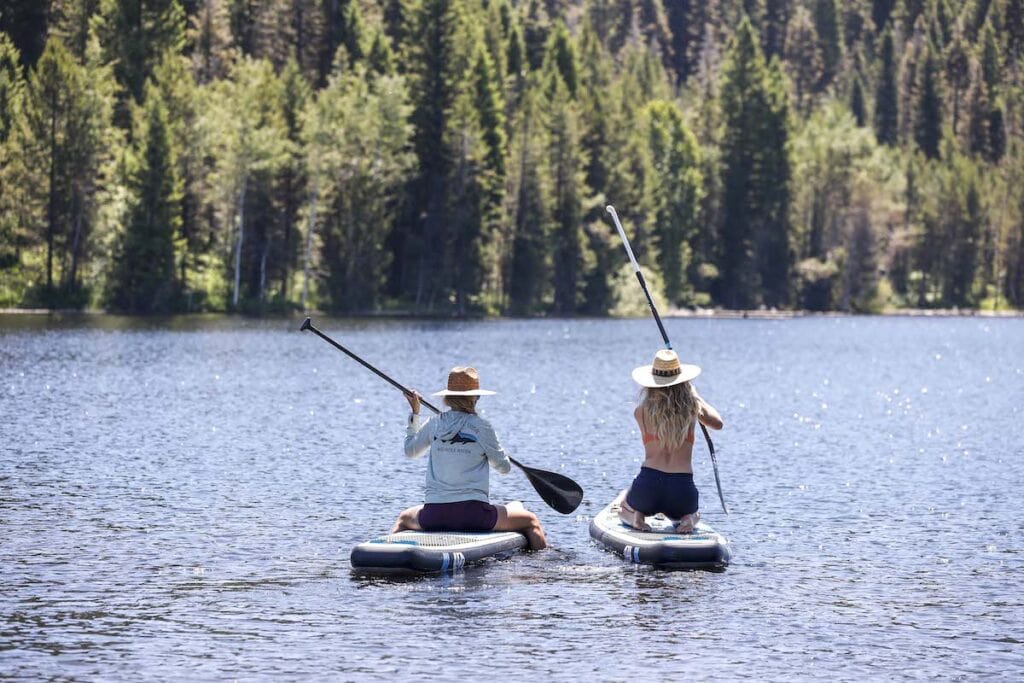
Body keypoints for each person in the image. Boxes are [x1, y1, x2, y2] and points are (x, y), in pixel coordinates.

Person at [390, 366, 548, 550]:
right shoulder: (482, 427)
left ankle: (386, 557)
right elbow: (504, 468)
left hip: (433, 516)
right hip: (474, 516)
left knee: (403, 518)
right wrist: (497, 450)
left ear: (448, 398)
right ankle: (542, 567)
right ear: (474, 398)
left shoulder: (434, 423)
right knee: (531, 521)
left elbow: (410, 451)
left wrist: (415, 414)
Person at [618, 349, 724, 533]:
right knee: (694, 512)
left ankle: (638, 516)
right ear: (683, 382)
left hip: (648, 485)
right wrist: (696, 396)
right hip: (682, 488)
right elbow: (718, 423)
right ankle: (687, 519)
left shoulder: (640, 412)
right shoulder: (692, 409)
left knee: (622, 508)